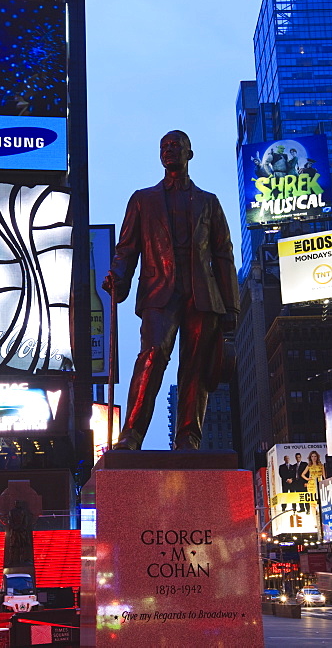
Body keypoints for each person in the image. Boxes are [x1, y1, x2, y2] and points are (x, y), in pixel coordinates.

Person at [103, 130, 239, 450]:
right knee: (152, 356)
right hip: (159, 292)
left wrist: (231, 307)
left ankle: (187, 437)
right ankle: (132, 434)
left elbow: (223, 255)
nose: (169, 151)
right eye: (164, 147)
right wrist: (118, 279)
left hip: (202, 295)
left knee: (194, 366)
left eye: (176, 146)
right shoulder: (142, 200)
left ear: (190, 153)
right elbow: (126, 250)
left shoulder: (209, 202)